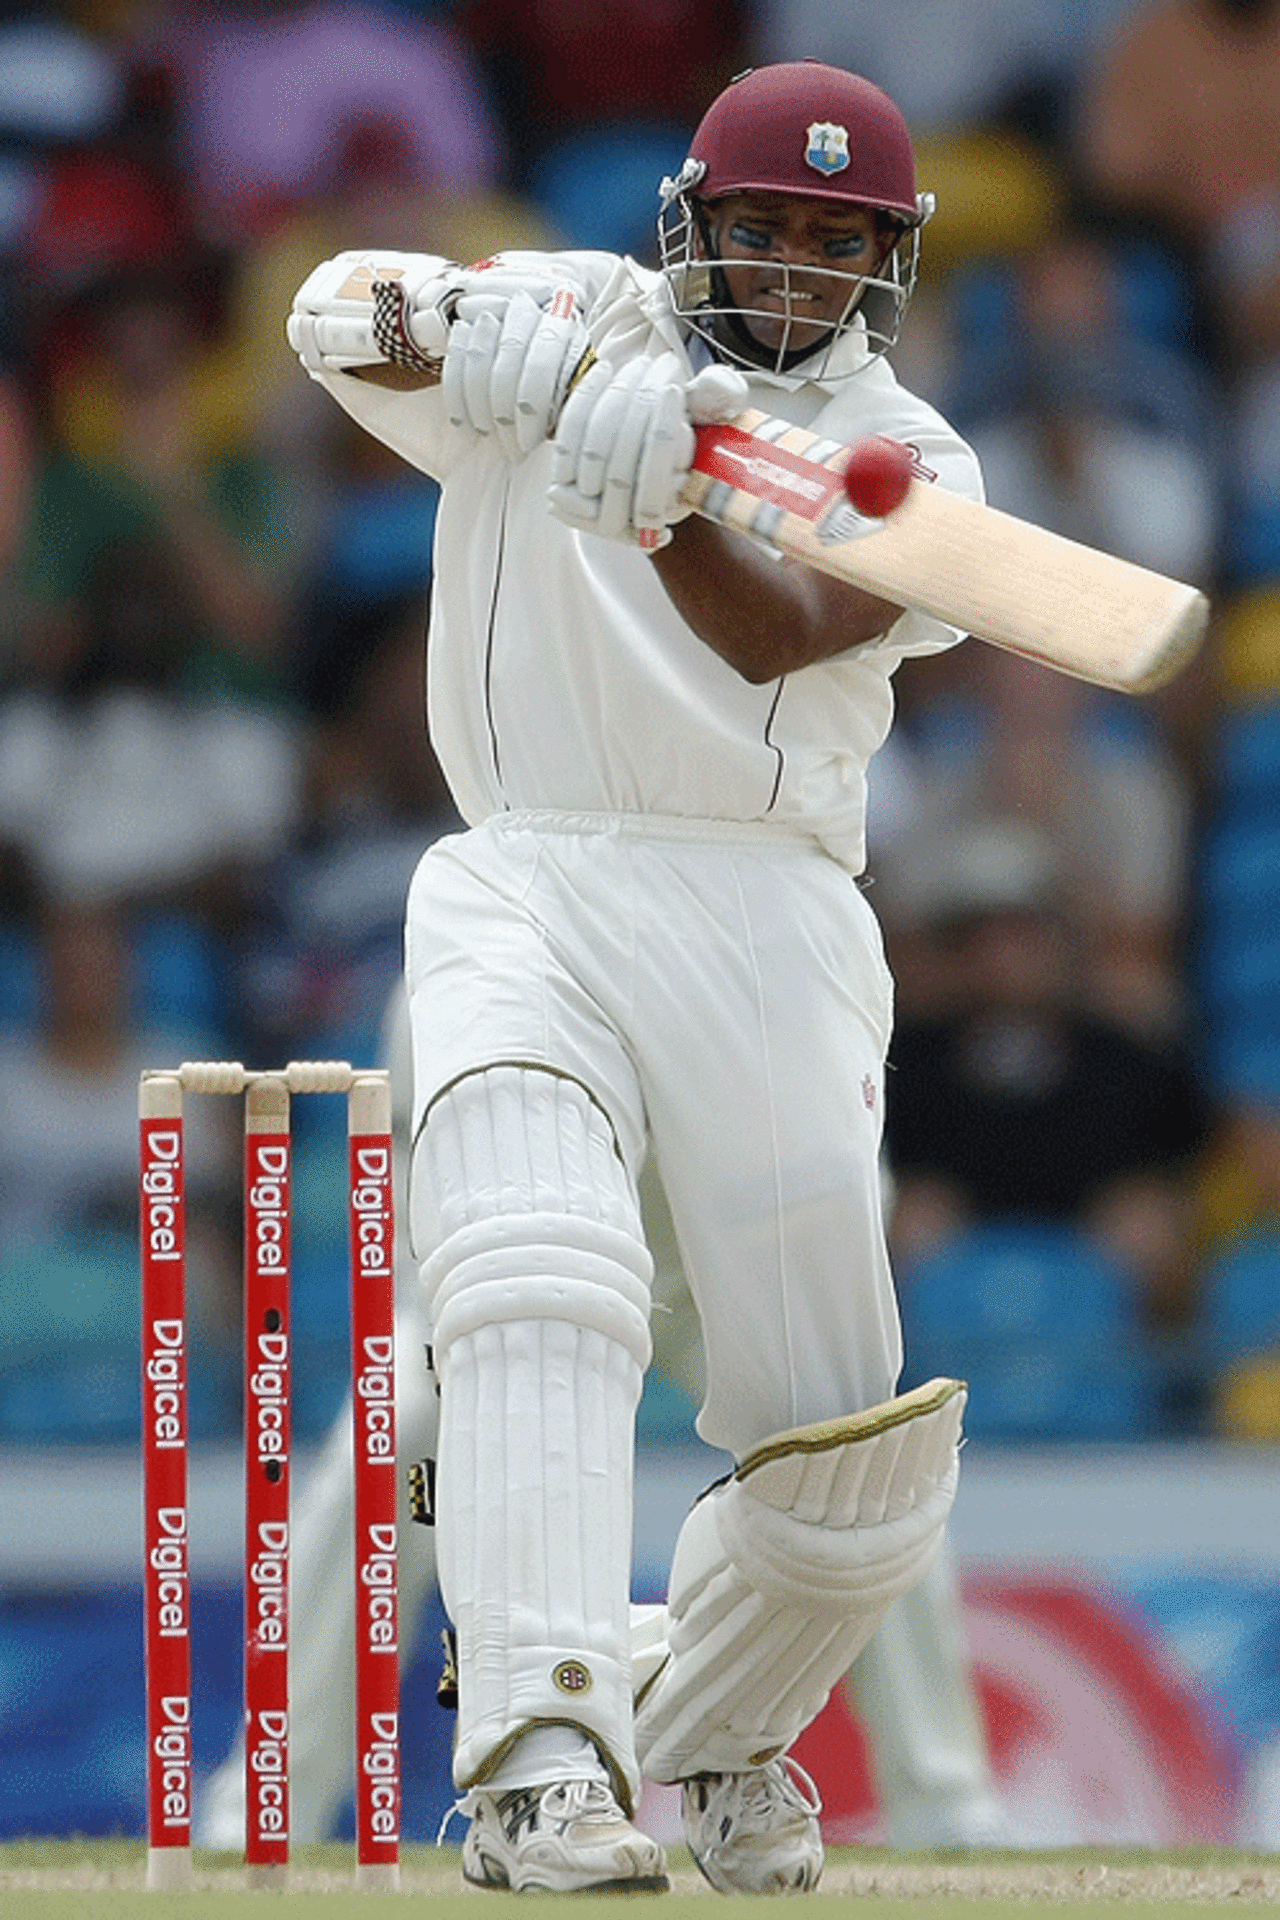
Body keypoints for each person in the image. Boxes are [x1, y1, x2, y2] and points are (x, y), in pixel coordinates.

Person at [286, 61, 980, 1894]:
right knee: (534, 1284)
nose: (799, 267)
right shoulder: (582, 310)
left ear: (887, 261)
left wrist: (674, 505)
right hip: (524, 867)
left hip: (769, 909)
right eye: (765, 226)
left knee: (845, 1458)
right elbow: (326, 318)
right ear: (696, 218)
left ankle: (715, 1734)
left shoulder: (917, 458)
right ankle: (532, 1756)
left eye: (841, 242)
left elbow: (785, 631)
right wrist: (471, 326)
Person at [194, 985, 1009, 1857]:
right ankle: (267, 1795)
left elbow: (839, 1202)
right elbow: (425, 1229)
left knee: (868, 1445)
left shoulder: (760, 932)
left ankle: (945, 1803)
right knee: (398, 1427)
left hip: (720, 1272)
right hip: (515, 1272)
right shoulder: (475, 938)